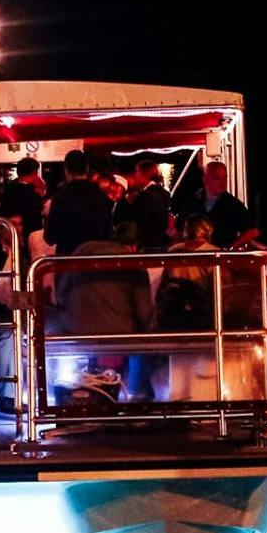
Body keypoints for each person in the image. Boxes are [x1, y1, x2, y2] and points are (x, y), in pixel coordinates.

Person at [57, 221, 154, 402]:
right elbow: (144, 312)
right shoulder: (135, 262)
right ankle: (136, 393)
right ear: (134, 246)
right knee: (145, 343)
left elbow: (61, 295)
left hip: (75, 327)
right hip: (117, 332)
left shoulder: (83, 250)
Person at [45, 148, 114, 255]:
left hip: (69, 260)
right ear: (87, 169)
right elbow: (108, 232)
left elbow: (50, 238)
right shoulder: (101, 196)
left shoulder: (60, 198)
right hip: (96, 259)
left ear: (66, 170)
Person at [196, 160, 259, 248]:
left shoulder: (233, 205)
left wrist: (231, 248)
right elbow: (180, 229)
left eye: (224, 178)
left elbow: (252, 231)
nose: (222, 183)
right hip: (196, 257)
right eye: (217, 178)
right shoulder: (194, 202)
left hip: (221, 258)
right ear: (205, 178)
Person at [119, 157, 173, 251]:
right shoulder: (164, 194)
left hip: (146, 245)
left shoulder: (144, 196)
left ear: (144, 174)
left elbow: (140, 223)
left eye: (137, 172)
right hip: (161, 243)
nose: (135, 175)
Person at [0, 156, 44, 237]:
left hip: (10, 234)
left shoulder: (8, 191)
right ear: (34, 173)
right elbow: (36, 219)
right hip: (29, 236)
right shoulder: (31, 195)